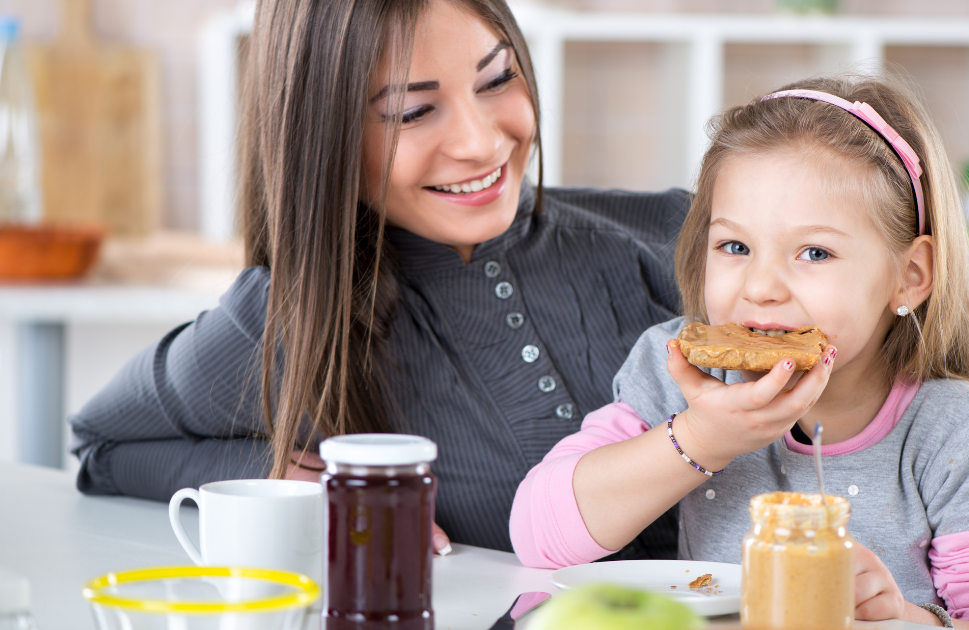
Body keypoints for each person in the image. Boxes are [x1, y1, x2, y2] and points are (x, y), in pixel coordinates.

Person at [68, 0, 685, 559]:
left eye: (497, 78)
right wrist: (280, 473)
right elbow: (102, 447)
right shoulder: (291, 322)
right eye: (411, 112)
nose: (479, 141)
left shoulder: (688, 240)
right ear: (321, 136)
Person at [510, 75, 969, 629]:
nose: (761, 285)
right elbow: (538, 535)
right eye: (735, 246)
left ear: (909, 276)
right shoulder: (679, 368)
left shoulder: (960, 435)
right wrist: (704, 437)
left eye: (814, 252)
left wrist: (903, 620)